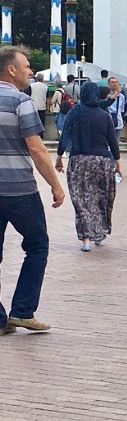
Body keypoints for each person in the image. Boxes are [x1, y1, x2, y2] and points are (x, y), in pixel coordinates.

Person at [0, 47, 65, 334]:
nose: (30, 71)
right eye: (26, 66)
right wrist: (55, 185)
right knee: (37, 245)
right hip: (19, 190)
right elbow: (37, 149)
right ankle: (23, 311)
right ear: (11, 69)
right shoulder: (21, 101)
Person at [55, 82, 121, 251]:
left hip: (79, 160)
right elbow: (112, 141)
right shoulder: (104, 115)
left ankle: (86, 237)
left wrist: (59, 157)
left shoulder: (75, 112)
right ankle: (100, 231)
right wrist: (118, 162)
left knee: (82, 199)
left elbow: (65, 136)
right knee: (101, 197)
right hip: (103, 161)